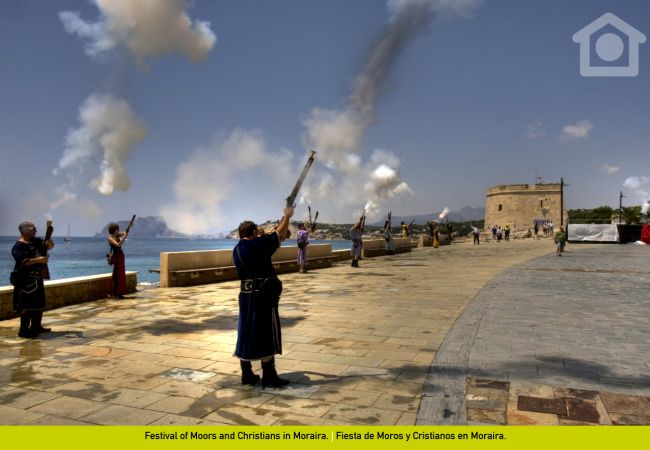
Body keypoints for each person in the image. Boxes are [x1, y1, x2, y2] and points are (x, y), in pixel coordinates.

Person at [232, 205, 294, 388]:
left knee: (246, 332)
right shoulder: (257, 244)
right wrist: (287, 216)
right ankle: (269, 375)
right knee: (266, 331)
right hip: (262, 296)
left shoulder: (236, 249)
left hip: (245, 295)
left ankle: (247, 373)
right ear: (252, 231)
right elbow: (278, 234)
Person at [11, 221, 54, 338]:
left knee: (38, 304)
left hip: (37, 278)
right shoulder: (18, 246)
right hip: (25, 280)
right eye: (33, 228)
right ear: (25, 230)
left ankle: (36, 327)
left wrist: (49, 243)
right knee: (26, 306)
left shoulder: (35, 241)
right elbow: (23, 261)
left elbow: (49, 246)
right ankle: (24, 330)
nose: (35, 230)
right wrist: (39, 260)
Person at [107, 223, 128, 299]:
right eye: (117, 229)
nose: (118, 231)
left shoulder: (116, 235)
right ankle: (114, 293)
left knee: (121, 274)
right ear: (114, 230)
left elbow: (123, 233)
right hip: (116, 257)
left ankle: (119, 292)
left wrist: (127, 230)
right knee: (116, 275)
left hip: (120, 256)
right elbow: (118, 244)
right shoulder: (110, 238)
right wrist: (125, 236)